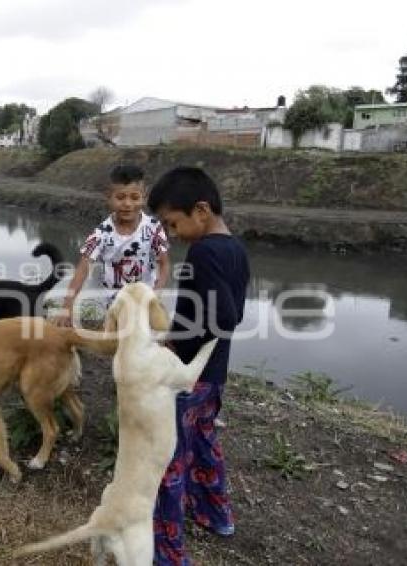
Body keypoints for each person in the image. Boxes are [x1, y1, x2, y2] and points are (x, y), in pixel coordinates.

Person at [146, 166, 251, 566]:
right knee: (204, 441)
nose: (171, 233)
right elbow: (233, 314)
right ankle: (215, 514)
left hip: (188, 376)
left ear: (201, 210)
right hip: (214, 374)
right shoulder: (234, 248)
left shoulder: (204, 252)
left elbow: (220, 315)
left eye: (173, 223)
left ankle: (168, 554)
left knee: (166, 459)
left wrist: (175, 343)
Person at [57, 163, 170, 326]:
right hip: (115, 308)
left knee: (155, 340)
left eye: (134, 197)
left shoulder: (153, 227)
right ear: (109, 196)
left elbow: (164, 264)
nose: (127, 204)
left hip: (146, 303)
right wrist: (67, 306)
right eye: (120, 197)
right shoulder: (102, 233)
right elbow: (82, 268)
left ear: (144, 197)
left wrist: (156, 294)